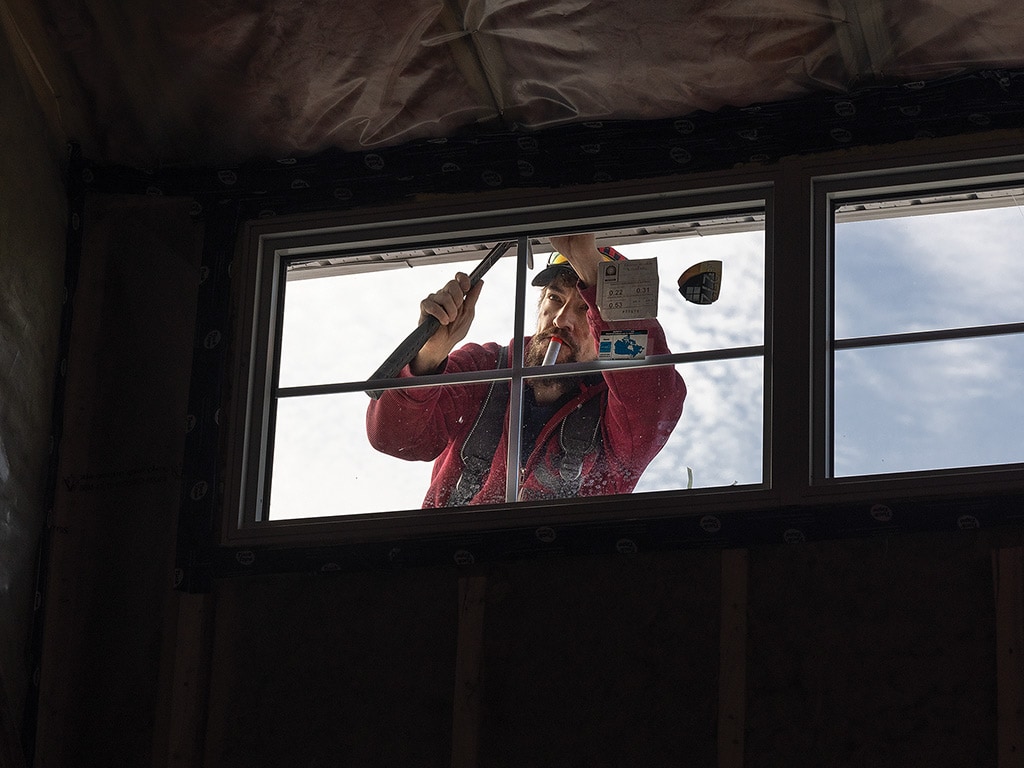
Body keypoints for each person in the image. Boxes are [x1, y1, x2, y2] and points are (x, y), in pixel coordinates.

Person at [365, 233, 686, 507]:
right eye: (554, 298)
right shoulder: (486, 367)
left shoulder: (619, 408)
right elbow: (396, 438)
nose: (562, 320)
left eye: (586, 309)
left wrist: (588, 261)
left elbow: (652, 396)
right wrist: (429, 355)